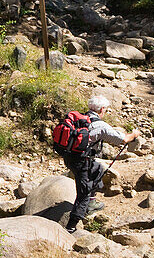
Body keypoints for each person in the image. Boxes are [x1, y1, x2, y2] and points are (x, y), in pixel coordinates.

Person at [60, 95, 141, 233]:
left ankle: (91, 202)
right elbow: (123, 139)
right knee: (83, 193)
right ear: (102, 109)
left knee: (98, 169)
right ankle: (71, 227)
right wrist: (134, 134)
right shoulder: (100, 125)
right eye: (105, 109)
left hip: (69, 157)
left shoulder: (80, 119)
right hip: (81, 162)